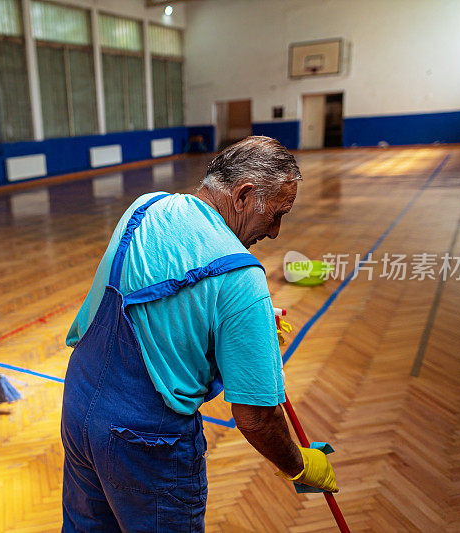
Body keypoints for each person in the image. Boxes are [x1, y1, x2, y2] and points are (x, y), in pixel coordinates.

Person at [61, 136, 338, 531]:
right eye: (277, 214)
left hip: (80, 405)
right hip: (146, 440)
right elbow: (256, 417)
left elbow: (163, 305)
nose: (275, 232)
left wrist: (242, 330)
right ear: (243, 196)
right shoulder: (242, 276)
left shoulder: (146, 206)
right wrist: (298, 465)